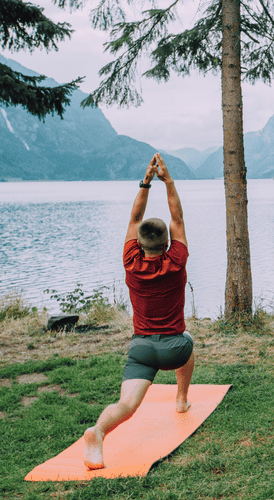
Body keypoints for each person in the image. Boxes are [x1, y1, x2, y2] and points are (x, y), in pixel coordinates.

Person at [83, 153, 194, 470]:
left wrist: (146, 182)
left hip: (142, 348)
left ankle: (98, 431)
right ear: (166, 243)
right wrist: (167, 181)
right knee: (188, 339)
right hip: (174, 347)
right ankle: (181, 398)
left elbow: (134, 220)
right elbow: (178, 221)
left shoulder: (131, 262)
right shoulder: (176, 263)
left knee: (126, 404)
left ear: (141, 242)